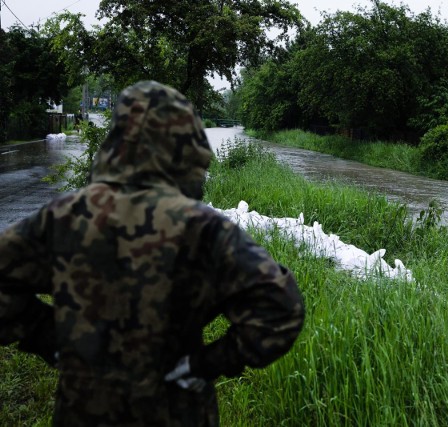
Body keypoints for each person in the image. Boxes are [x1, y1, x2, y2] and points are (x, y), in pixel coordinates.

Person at [0, 81, 305, 426]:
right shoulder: (202, 228)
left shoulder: (62, 217)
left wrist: (47, 337)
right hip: (177, 410)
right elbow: (282, 307)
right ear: (184, 142)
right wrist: (206, 364)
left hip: (83, 410)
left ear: (118, 140)